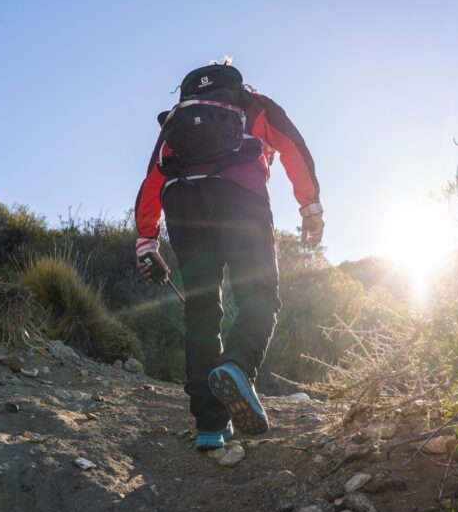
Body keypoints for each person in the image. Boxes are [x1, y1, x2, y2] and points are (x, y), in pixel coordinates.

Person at [134, 60, 324, 450]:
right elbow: (292, 145)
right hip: (240, 197)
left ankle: (210, 426)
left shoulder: (180, 118)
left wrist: (146, 239)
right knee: (259, 294)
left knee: (202, 309)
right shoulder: (253, 103)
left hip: (182, 201)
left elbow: (154, 173)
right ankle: (237, 364)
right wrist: (310, 206)